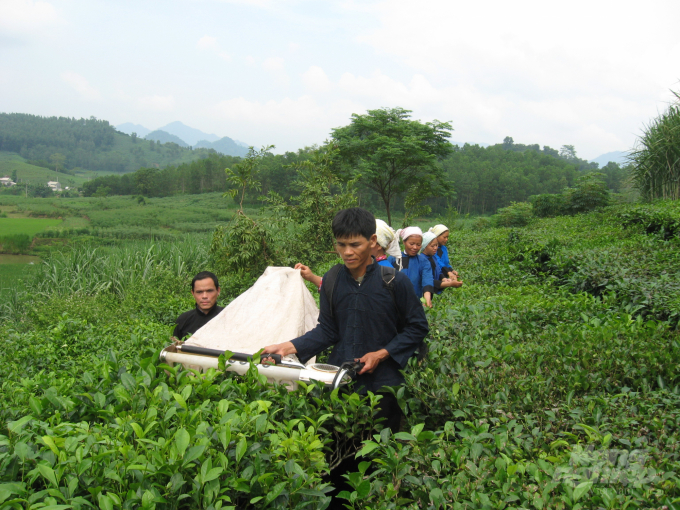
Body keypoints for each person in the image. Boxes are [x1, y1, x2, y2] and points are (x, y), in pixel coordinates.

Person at [263, 207, 429, 432]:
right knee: (340, 455)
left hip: (384, 388)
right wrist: (287, 347)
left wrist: (380, 355)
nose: (347, 252)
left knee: (378, 454)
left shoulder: (394, 282)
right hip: (339, 381)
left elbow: (417, 328)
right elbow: (327, 330)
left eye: (355, 245)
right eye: (341, 245)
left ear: (372, 241)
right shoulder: (332, 279)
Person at [295, 218, 399, 287]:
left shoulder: (386, 273)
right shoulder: (361, 266)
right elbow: (337, 287)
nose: (348, 252)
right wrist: (311, 277)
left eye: (356, 244)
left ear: (374, 242)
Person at [388, 226, 434, 308]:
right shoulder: (393, 259)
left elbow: (427, 280)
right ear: (404, 242)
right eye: (411, 244)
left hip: (415, 303)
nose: (415, 247)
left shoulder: (423, 262)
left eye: (418, 244)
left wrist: (427, 298)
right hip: (394, 303)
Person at [173, 271, 224, 339]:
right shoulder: (183, 320)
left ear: (218, 291)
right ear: (193, 293)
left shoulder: (228, 317)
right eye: (199, 292)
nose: (204, 296)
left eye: (209, 291)